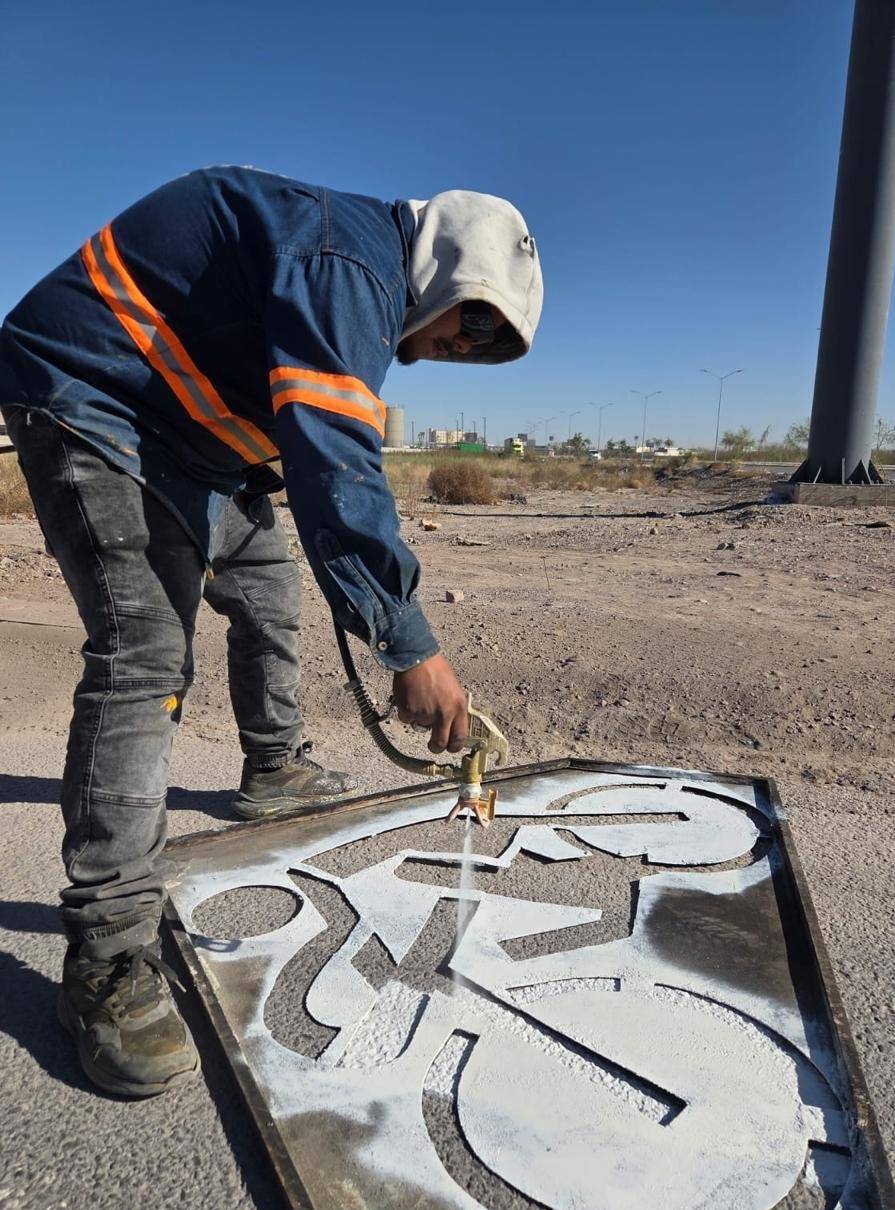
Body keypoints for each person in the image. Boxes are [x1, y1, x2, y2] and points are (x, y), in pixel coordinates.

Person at [0, 166, 543, 1097]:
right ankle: (107, 959)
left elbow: (308, 443)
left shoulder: (361, 280)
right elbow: (338, 461)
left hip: (193, 439)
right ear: (448, 272)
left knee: (266, 586)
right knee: (144, 654)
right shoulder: (349, 264)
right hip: (92, 400)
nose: (463, 343)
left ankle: (272, 765)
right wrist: (410, 646)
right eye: (474, 320)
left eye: (487, 342)